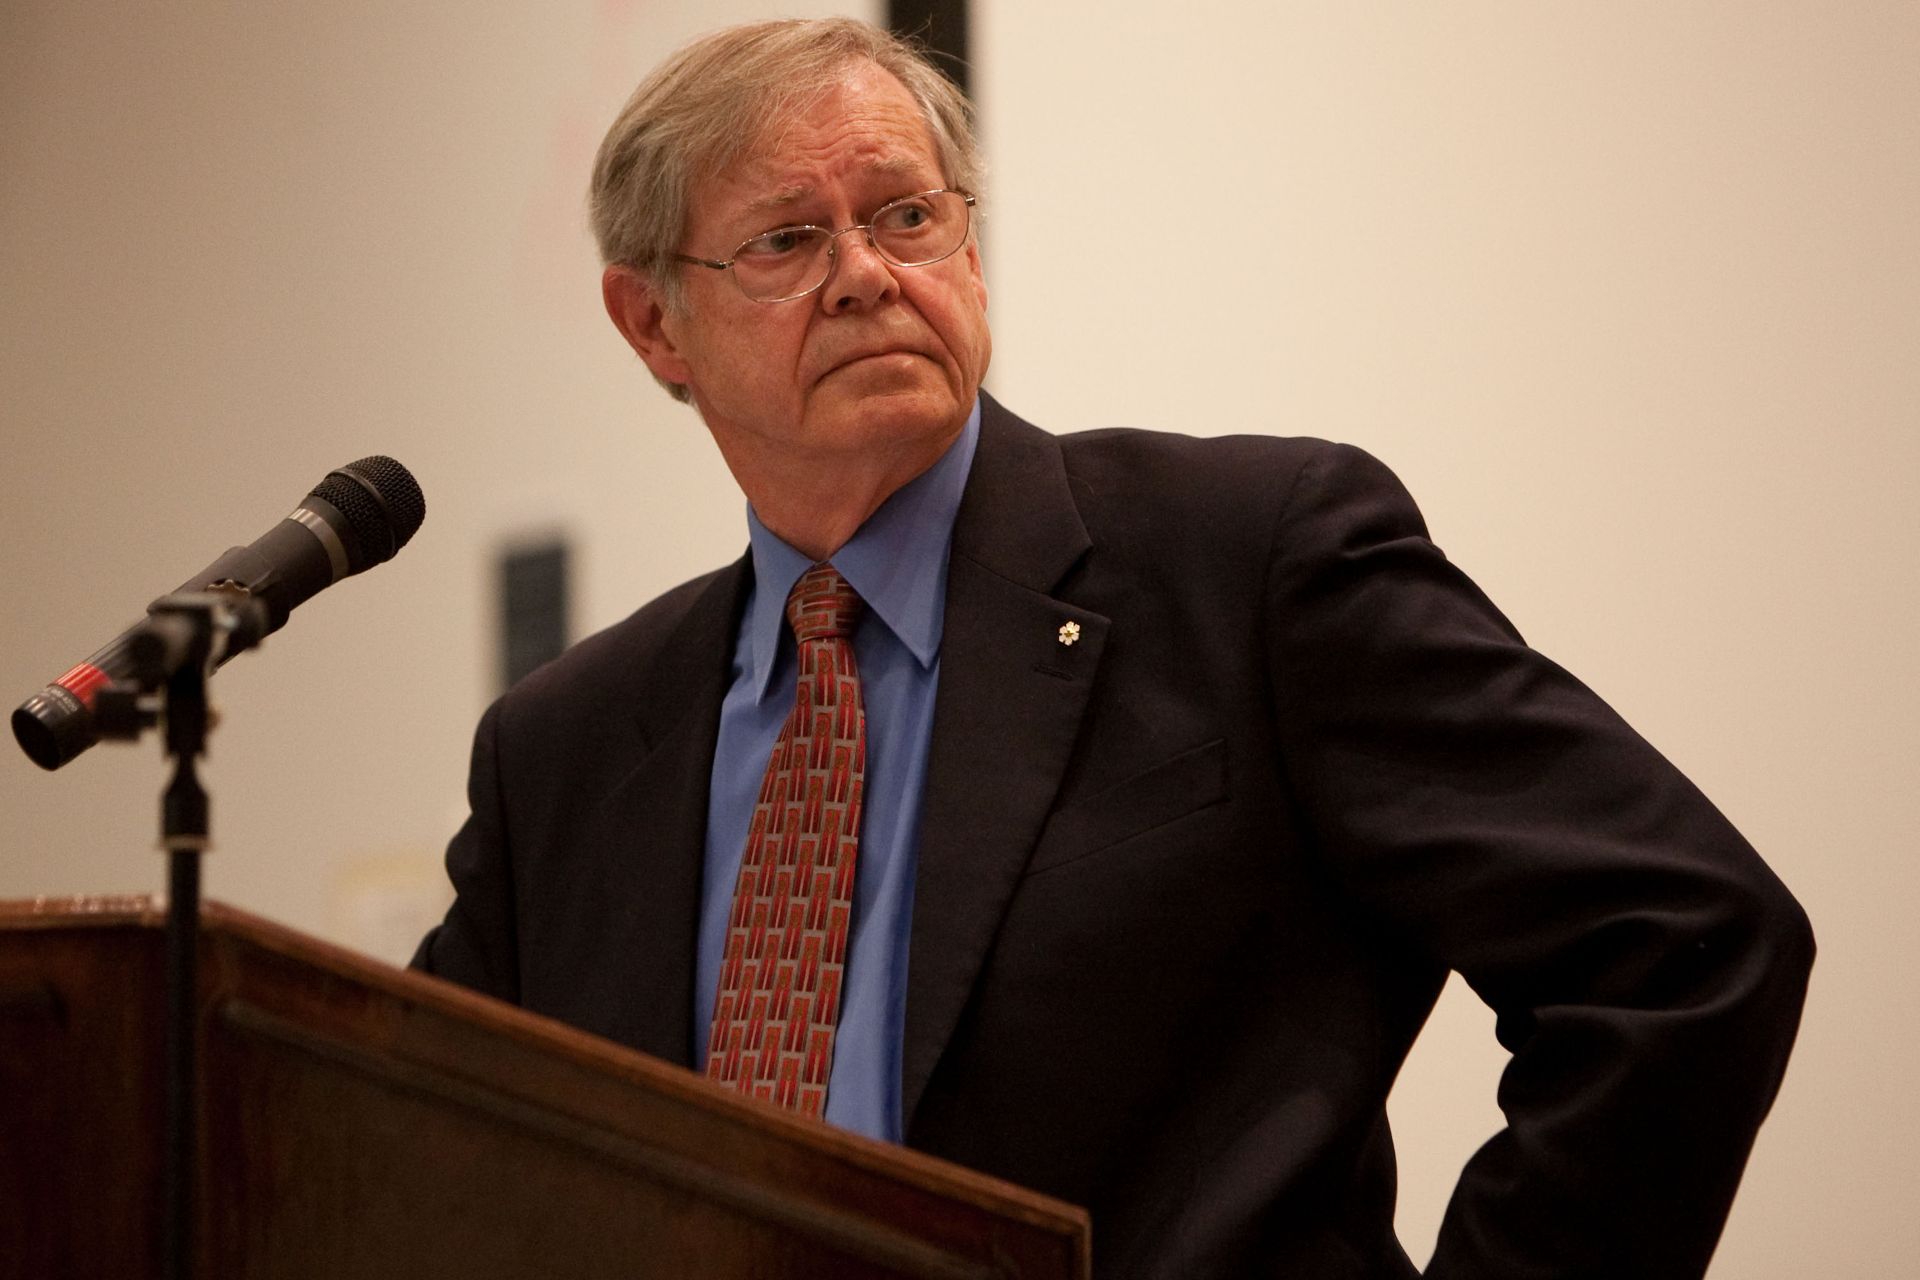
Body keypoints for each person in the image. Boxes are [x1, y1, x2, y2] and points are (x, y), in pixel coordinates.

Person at [415, 18, 1813, 1278]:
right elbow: (414, 1157)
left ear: (967, 248)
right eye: (787, 240)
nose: (864, 275)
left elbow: (1683, 945)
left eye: (906, 215)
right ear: (653, 320)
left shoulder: (1248, 562)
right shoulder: (565, 752)